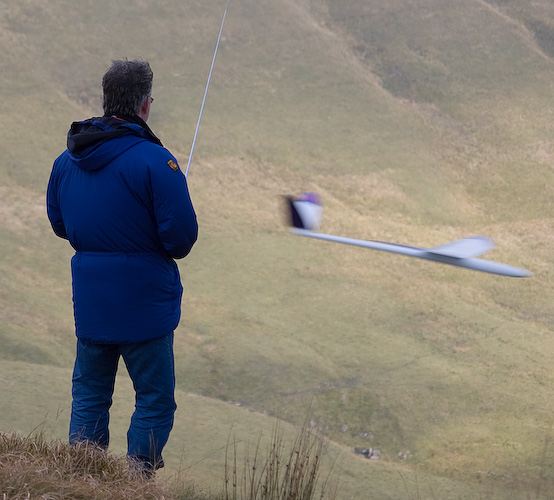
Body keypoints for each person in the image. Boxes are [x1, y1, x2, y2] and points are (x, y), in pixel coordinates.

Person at [46, 59, 198, 475]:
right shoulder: (156, 162)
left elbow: (61, 225)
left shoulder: (66, 161)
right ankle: (136, 479)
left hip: (93, 303)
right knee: (154, 397)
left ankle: (83, 478)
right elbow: (181, 241)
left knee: (91, 393)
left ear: (106, 98)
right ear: (145, 105)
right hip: (145, 307)